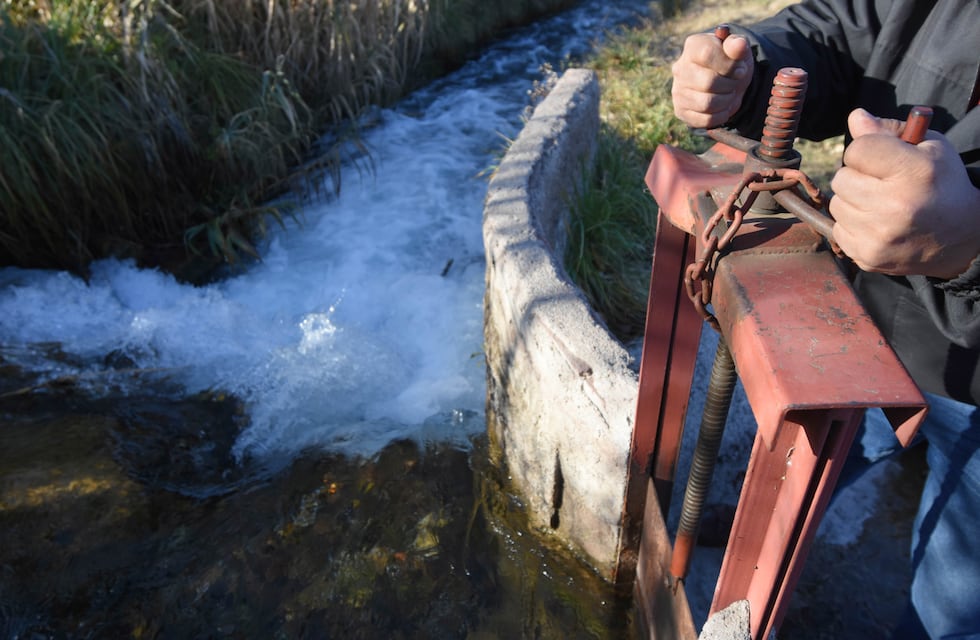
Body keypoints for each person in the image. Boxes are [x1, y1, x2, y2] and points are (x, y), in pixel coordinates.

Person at [670, 1, 980, 638]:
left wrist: (973, 245)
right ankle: (788, 519)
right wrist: (747, 69)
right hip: (873, 313)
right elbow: (843, 25)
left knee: (954, 593)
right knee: (849, 445)